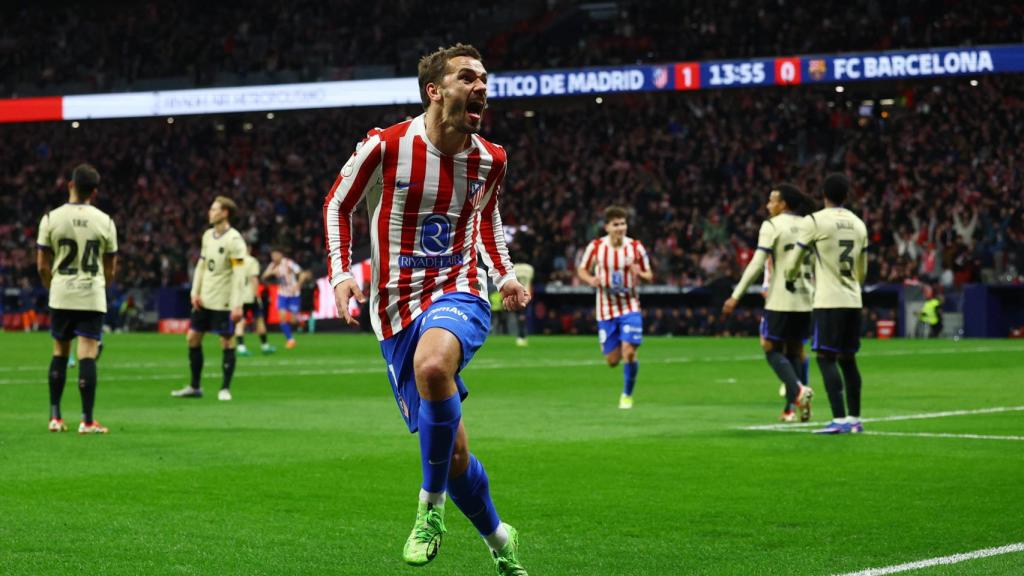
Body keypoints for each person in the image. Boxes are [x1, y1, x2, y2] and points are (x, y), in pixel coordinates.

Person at [324, 43, 530, 575]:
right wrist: (342, 275)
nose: (481, 85)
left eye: (485, 77)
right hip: (394, 310)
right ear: (435, 91)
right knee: (455, 455)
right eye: (467, 77)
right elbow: (338, 205)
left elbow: (487, 220)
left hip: (459, 288)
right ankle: (500, 540)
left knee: (435, 365)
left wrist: (503, 272)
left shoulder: (491, 158)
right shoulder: (385, 146)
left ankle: (428, 510)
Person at [35, 163, 118, 434]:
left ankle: (55, 417)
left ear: (70, 184)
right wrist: (100, 287)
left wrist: (53, 286)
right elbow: (110, 267)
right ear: (94, 191)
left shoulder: (50, 218)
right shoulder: (105, 221)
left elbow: (42, 265)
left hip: (61, 293)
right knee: (87, 355)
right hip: (91, 295)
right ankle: (87, 420)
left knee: (60, 352)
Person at [722, 184, 815, 422]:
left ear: (783, 204)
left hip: (780, 299)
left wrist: (736, 295)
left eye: (772, 200)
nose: (768, 205)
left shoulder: (772, 225)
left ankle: (798, 392)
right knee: (795, 350)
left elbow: (756, 263)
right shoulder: (809, 224)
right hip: (806, 299)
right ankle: (792, 409)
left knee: (770, 347)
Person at [787, 174, 869, 434]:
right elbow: (863, 271)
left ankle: (839, 419)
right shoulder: (859, 224)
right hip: (853, 299)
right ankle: (855, 419)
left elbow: (794, 259)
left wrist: (790, 277)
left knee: (825, 357)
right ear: (847, 196)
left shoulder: (815, 221)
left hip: (828, 300)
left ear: (824, 194)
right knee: (848, 360)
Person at [577, 206, 653, 409]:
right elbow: (582, 270)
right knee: (612, 360)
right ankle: (620, 343)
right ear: (607, 227)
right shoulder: (596, 247)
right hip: (606, 309)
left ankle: (627, 395)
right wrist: (591, 279)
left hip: (630, 306)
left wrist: (638, 271)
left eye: (623, 223)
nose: (621, 228)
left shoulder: (636, 247)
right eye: (616, 224)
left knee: (629, 352)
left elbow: (649, 275)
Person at [172, 196, 247, 401]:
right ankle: (195, 387)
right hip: (204, 298)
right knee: (193, 338)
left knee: (226, 340)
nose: (210, 212)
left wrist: (237, 304)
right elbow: (202, 266)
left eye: (214, 209)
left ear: (225, 213)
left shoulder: (234, 240)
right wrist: (194, 292)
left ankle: (225, 388)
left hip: (223, 301)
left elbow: (240, 274)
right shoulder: (207, 235)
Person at [262, 248, 308, 349]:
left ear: (281, 255)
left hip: (294, 294)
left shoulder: (288, 263)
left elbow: (302, 273)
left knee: (293, 321)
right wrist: (271, 273)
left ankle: (301, 321)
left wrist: (298, 285)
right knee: (282, 317)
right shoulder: (272, 265)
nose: (273, 257)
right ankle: (290, 340)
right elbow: (263, 276)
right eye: (272, 255)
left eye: (275, 255)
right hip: (282, 294)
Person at [236, 247, 275, 356]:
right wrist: (256, 295)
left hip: (238, 296)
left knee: (240, 321)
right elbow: (254, 279)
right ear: (248, 249)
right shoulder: (251, 261)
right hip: (250, 295)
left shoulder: (236, 260)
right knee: (259, 319)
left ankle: (241, 347)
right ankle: (265, 345)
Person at [512, 260, 534, 346]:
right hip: (527, 294)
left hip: (517, 295)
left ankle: (521, 336)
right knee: (523, 317)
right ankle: (522, 335)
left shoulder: (514, 268)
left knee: (520, 317)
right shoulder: (529, 268)